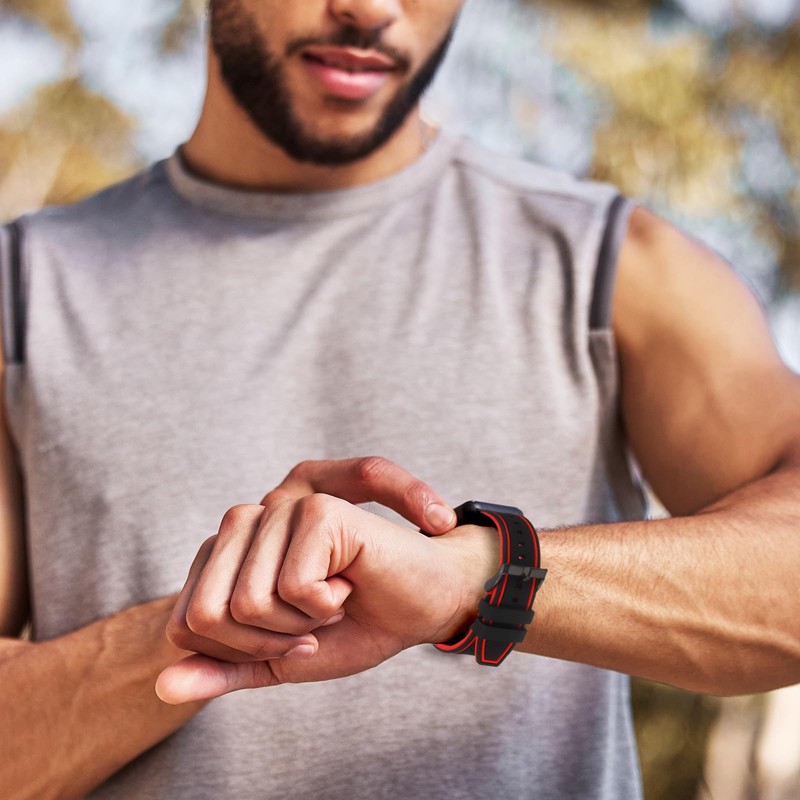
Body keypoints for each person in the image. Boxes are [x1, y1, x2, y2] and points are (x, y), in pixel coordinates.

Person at [1, 1, 798, 798]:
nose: (372, 9)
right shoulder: (23, 291)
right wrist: (216, 619)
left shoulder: (620, 267)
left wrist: (476, 577)